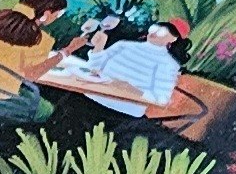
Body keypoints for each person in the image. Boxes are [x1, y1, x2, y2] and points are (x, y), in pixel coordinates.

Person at [57, 15, 193, 118]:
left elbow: (161, 98)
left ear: (173, 39)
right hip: (92, 96)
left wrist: (130, 89)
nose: (154, 33)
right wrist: (99, 46)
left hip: (123, 111)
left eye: (161, 32)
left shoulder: (168, 64)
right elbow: (92, 68)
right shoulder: (124, 45)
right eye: (154, 29)